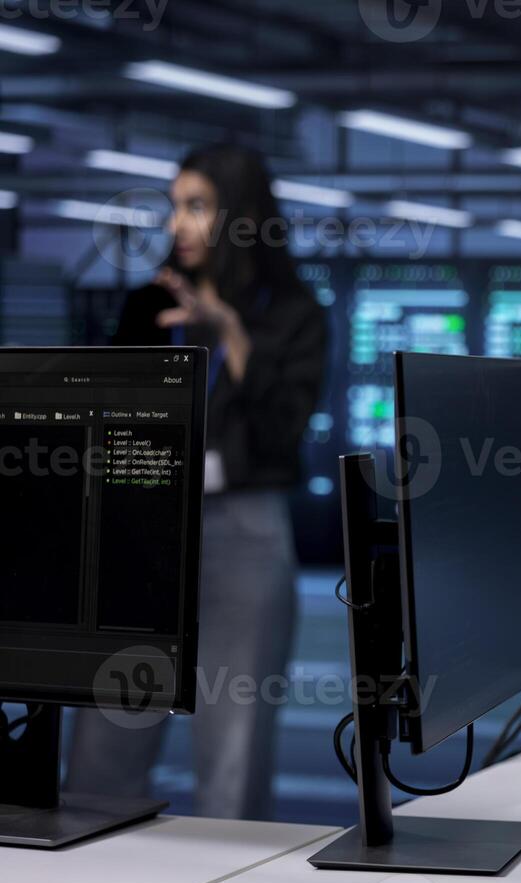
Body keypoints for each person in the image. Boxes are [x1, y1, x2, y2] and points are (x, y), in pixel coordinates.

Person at [68, 144, 327, 820]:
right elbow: (105, 422)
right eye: (175, 206)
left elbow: (282, 436)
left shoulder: (292, 314)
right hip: (147, 533)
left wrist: (232, 336)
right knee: (103, 749)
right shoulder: (149, 304)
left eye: (198, 206)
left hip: (245, 532)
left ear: (240, 217)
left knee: (232, 758)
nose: (179, 224)